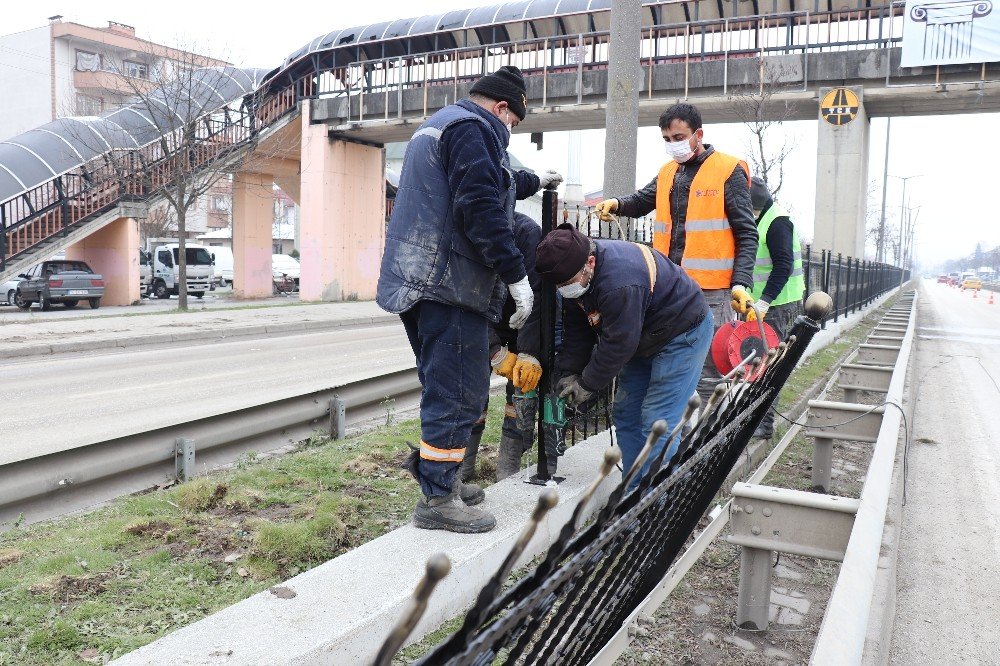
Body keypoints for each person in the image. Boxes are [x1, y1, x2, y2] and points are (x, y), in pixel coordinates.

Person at [376, 66, 562, 534]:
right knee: (459, 393)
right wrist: (515, 274)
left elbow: (491, 182)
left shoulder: (440, 126)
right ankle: (438, 498)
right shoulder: (473, 129)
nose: (511, 132)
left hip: (419, 280)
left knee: (445, 384)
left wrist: (534, 180)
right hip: (450, 283)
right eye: (514, 123)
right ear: (502, 108)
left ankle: (441, 479)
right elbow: (478, 205)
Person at [594, 103, 758, 403]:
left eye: (679, 137)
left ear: (698, 134)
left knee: (708, 369)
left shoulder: (727, 169)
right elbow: (643, 200)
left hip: (712, 289)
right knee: (667, 360)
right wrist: (617, 203)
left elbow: (747, 232)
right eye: (667, 139)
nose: (674, 145)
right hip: (668, 288)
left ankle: (714, 439)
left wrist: (740, 282)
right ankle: (676, 435)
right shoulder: (669, 172)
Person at [534, 223, 713, 486]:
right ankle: (634, 493)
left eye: (568, 283)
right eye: (559, 286)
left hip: (682, 332)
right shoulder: (576, 274)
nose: (565, 290)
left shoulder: (620, 283)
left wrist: (587, 384)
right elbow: (578, 329)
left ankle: (656, 504)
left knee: (657, 422)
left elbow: (619, 345)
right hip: (642, 333)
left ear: (590, 263)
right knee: (626, 413)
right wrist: (571, 371)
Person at [460, 212, 544, 483]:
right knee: (471, 392)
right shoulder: (464, 232)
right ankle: (463, 469)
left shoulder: (527, 234)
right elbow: (464, 305)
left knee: (522, 387)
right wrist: (494, 351)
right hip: (481, 318)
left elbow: (538, 297)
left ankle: (508, 469)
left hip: (523, 319)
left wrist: (529, 352)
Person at [748, 177, 805, 439]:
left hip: (778, 303)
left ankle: (764, 423)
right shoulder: (761, 218)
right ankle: (753, 414)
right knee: (757, 358)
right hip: (762, 304)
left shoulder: (777, 222)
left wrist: (764, 301)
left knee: (769, 361)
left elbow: (783, 266)